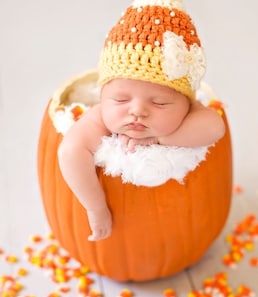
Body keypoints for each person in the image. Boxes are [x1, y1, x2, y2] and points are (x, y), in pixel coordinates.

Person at [58, 0, 226, 241]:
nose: (137, 111)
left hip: (173, 227)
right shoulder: (100, 116)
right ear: (103, 95)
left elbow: (215, 127)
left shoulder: (191, 108)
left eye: (159, 102)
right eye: (120, 99)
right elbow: (70, 152)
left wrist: (159, 138)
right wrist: (96, 208)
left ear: (186, 103)